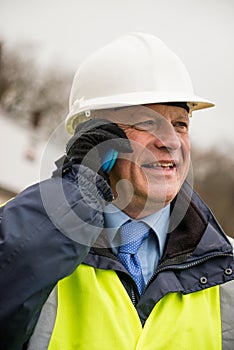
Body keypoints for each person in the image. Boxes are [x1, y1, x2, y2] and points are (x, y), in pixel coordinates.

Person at [0, 32, 233, 350]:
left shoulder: (227, 267)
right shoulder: (29, 237)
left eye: (180, 124)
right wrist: (74, 193)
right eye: (147, 123)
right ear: (97, 138)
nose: (171, 142)